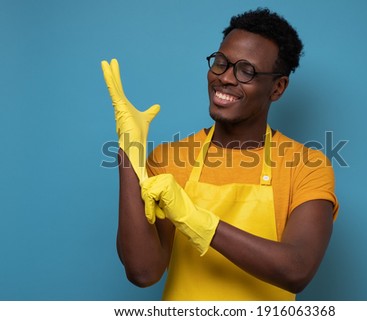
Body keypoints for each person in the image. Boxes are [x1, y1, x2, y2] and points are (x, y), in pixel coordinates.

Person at [101, 8, 338, 301]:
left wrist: (195, 220)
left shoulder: (306, 166)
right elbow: (143, 272)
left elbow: (296, 270)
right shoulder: (170, 159)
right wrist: (129, 152)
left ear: (277, 88)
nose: (225, 78)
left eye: (246, 70)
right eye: (221, 63)